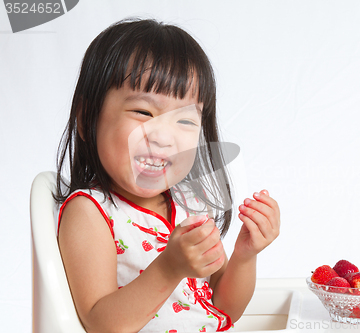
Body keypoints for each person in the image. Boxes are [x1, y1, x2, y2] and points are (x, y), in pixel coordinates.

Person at [55, 18, 280, 333]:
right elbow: (101, 324)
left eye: (185, 121)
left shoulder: (189, 204)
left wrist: (245, 254)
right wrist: (169, 267)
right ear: (86, 119)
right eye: (143, 112)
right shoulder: (91, 211)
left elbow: (226, 309)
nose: (163, 137)